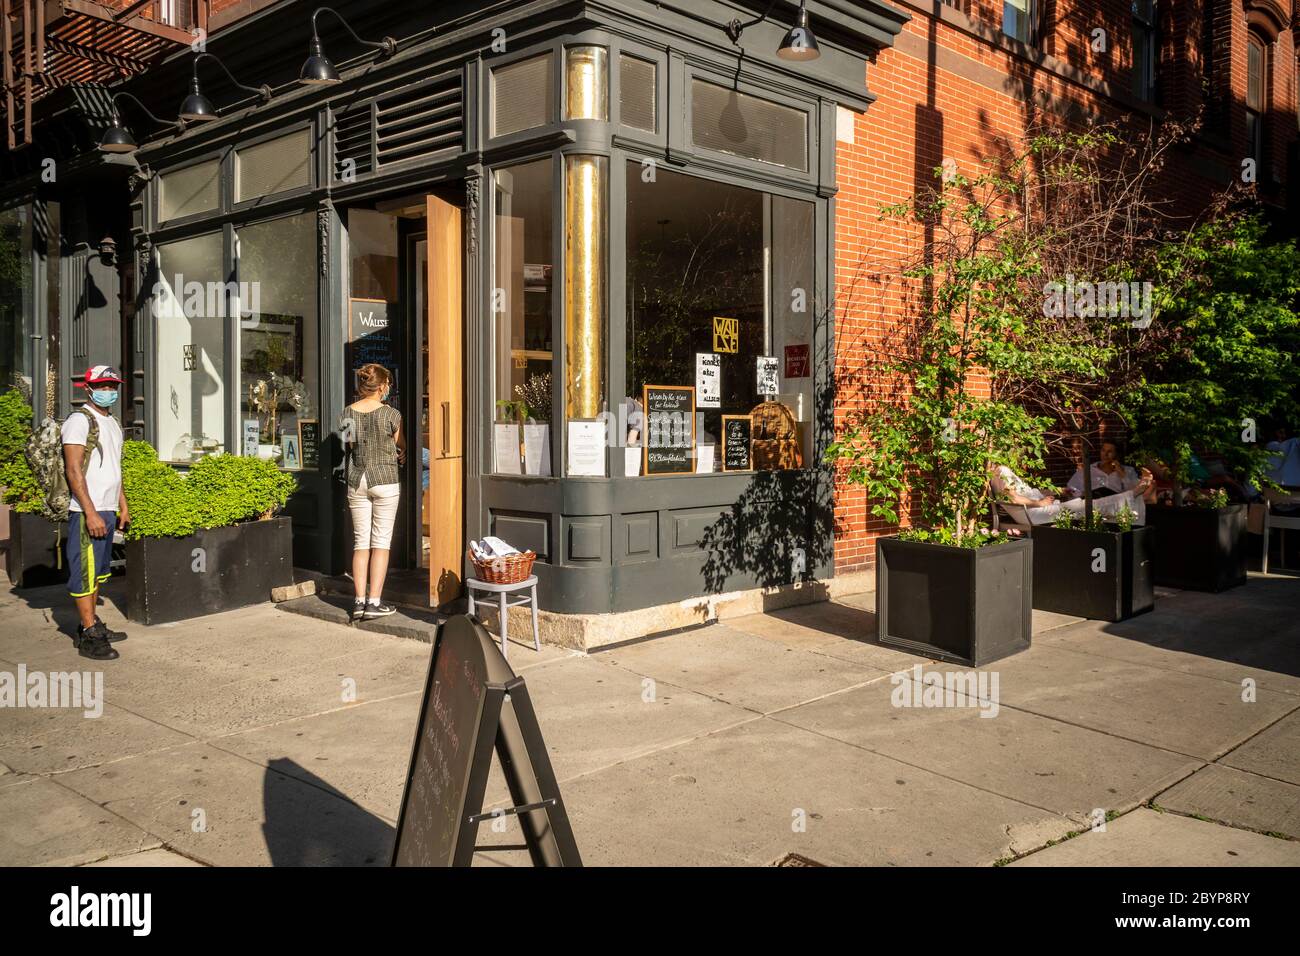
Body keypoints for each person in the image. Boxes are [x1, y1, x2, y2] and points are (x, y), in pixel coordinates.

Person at [63, 365, 130, 660]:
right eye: (102, 386)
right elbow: (73, 469)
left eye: (112, 386)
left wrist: (122, 504)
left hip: (107, 507)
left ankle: (90, 624)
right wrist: (89, 511)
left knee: (99, 572)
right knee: (84, 572)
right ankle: (89, 633)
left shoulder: (113, 423)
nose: (108, 391)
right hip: (85, 510)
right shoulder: (79, 421)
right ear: (88, 388)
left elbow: (115, 469)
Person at [340, 364, 405, 622]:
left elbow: (349, 444)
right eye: (387, 384)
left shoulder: (347, 412)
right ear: (382, 386)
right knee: (381, 542)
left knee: (361, 543)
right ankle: (374, 602)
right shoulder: (392, 414)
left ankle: (358, 602)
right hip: (385, 479)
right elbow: (400, 445)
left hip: (357, 479)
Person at [1066, 441, 1143, 499]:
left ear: (1117, 454)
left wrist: (1122, 474)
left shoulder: (1128, 471)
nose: (1105, 454)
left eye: (1109, 452)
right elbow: (1071, 489)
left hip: (1118, 510)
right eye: (1103, 450)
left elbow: (1135, 492)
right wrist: (1083, 494)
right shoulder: (1088, 470)